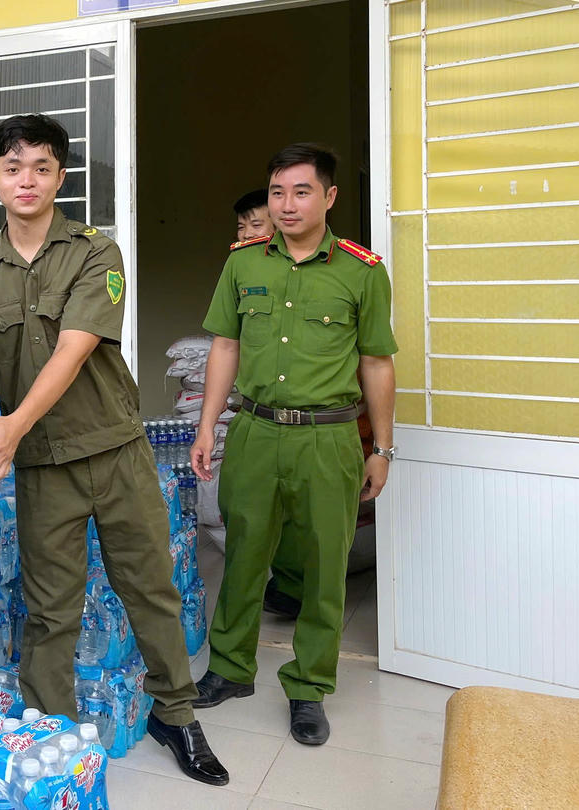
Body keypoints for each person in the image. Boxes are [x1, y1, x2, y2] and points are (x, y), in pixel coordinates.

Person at [0, 113, 229, 788]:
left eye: (43, 167)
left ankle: (176, 712)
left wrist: (13, 421)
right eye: (14, 167)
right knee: (51, 610)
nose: (28, 180)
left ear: (61, 176)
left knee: (149, 589)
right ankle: (49, 737)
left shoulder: (93, 252)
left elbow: (75, 345)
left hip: (114, 450)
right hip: (41, 465)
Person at [190, 143, 397, 746]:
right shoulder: (243, 265)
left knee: (325, 566)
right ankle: (230, 669)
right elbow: (224, 347)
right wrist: (208, 424)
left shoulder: (361, 271)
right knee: (244, 553)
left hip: (328, 437)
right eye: (277, 192)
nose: (286, 204)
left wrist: (381, 448)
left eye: (301, 192)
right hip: (254, 429)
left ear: (329, 197)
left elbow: (377, 363)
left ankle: (309, 687)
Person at [233, 188, 304, 621]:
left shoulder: (342, 268)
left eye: (255, 225)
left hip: (316, 421)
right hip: (258, 418)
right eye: (240, 226)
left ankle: (296, 589)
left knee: (303, 524)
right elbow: (227, 342)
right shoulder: (240, 268)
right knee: (248, 517)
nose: (245, 234)